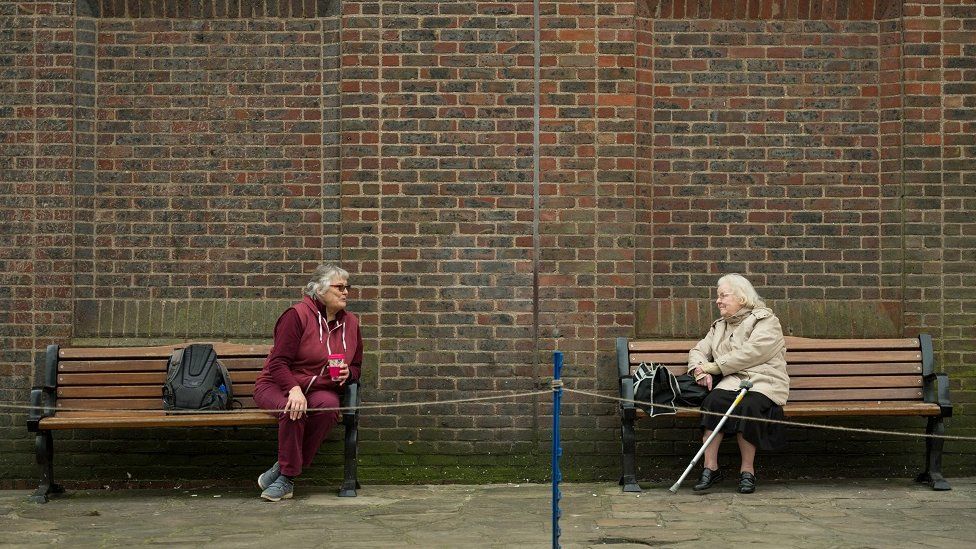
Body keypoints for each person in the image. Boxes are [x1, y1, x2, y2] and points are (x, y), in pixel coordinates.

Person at [253, 263, 363, 501]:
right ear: (320, 290)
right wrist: (293, 389)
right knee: (294, 409)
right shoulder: (296, 316)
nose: (346, 292)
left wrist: (348, 374)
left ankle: (281, 470)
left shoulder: (352, 323)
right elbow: (278, 363)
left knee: (328, 408)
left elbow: (357, 367)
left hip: (320, 387)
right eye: (339, 287)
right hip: (278, 384)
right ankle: (287, 479)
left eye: (348, 287)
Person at [687, 273, 789, 494]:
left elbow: (753, 353)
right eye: (717, 296)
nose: (718, 301)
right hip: (732, 381)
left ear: (742, 297)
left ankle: (747, 471)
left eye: (723, 295)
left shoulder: (766, 320)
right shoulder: (719, 326)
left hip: (763, 381)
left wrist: (714, 367)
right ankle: (710, 468)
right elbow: (698, 350)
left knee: (747, 406)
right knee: (713, 401)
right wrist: (698, 369)